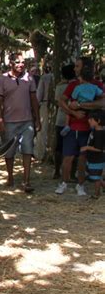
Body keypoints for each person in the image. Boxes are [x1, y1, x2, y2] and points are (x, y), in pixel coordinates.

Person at [55, 57, 104, 197]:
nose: (75, 69)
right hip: (72, 127)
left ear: (85, 68)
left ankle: (80, 185)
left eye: (77, 66)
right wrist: (73, 113)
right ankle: (63, 183)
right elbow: (62, 102)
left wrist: (80, 105)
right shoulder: (73, 85)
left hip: (89, 129)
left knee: (83, 158)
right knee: (68, 157)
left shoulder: (98, 84)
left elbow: (102, 103)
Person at [0, 52, 41, 193]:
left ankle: (26, 180)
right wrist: (0, 118)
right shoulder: (2, 79)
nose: (21, 65)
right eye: (17, 62)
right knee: (9, 151)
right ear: (11, 64)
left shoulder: (29, 78)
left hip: (27, 121)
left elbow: (34, 99)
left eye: (22, 62)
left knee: (28, 149)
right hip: (9, 121)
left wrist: (37, 119)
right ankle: (10, 177)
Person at [60, 63, 103, 136]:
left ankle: (66, 125)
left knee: (69, 107)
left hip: (78, 105)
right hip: (89, 107)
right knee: (91, 116)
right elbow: (102, 95)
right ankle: (92, 127)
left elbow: (73, 96)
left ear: (82, 79)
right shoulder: (95, 87)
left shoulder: (78, 87)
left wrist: (77, 105)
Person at [53, 64, 76, 179]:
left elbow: (58, 103)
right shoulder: (77, 85)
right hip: (74, 119)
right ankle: (71, 173)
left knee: (59, 147)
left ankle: (57, 171)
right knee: (74, 147)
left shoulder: (60, 87)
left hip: (60, 119)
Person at [80, 109, 105, 199]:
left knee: (96, 178)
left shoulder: (99, 133)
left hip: (97, 159)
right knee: (95, 175)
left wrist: (86, 147)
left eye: (91, 120)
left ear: (98, 121)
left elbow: (98, 148)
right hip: (92, 158)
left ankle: (97, 194)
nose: (88, 121)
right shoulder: (95, 130)